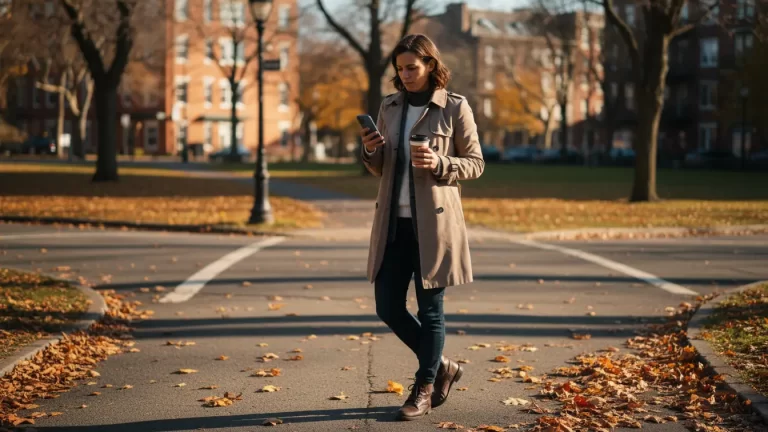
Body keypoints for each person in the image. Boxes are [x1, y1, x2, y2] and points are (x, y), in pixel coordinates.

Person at [359, 34, 485, 421]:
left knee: (431, 311)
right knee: (387, 306)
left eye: (412, 67)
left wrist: (441, 163)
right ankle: (444, 365)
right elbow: (378, 167)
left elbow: (476, 163)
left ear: (430, 65)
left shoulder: (455, 107)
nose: (405, 75)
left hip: (435, 225)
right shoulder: (390, 105)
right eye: (399, 68)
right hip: (392, 224)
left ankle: (425, 387)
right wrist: (369, 148)